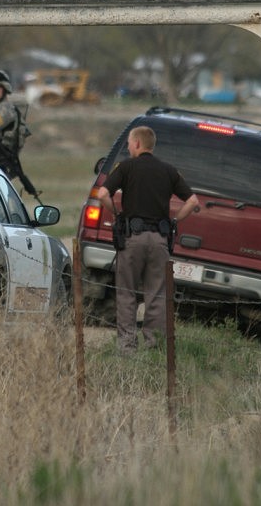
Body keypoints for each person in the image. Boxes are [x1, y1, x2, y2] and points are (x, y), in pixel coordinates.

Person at [97, 125, 199, 356]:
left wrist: (115, 213)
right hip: (160, 240)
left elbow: (103, 194)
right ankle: (154, 348)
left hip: (132, 239)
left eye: (129, 144)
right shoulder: (169, 171)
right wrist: (174, 221)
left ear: (136, 144)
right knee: (157, 295)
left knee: (127, 293)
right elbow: (193, 201)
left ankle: (127, 349)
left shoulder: (126, 168)